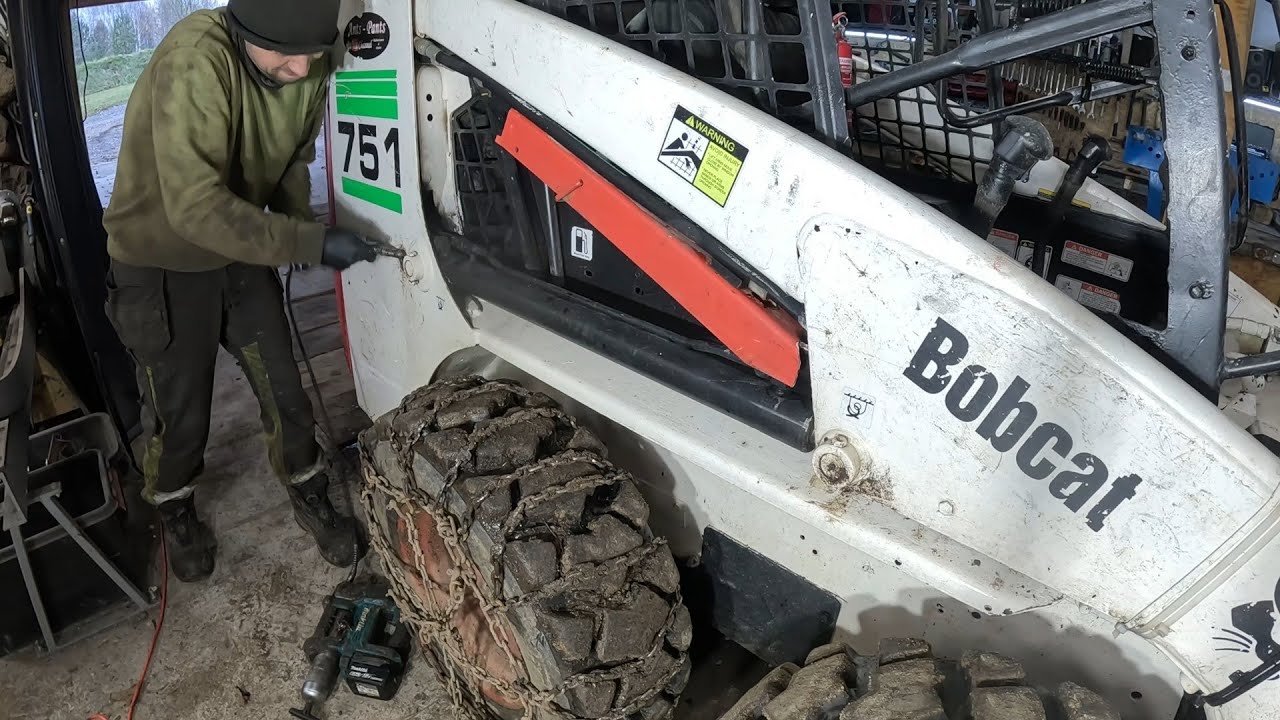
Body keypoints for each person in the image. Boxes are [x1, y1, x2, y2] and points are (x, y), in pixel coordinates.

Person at [102, 0, 379, 582]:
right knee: (180, 414)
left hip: (239, 251)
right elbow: (196, 209)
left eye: (311, 54)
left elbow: (293, 160)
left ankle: (307, 488)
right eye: (284, 55)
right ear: (242, 29)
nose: (303, 71)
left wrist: (298, 220)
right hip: (162, 262)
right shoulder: (194, 59)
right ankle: (173, 508)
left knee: (286, 391)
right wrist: (310, 242)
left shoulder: (307, 57)